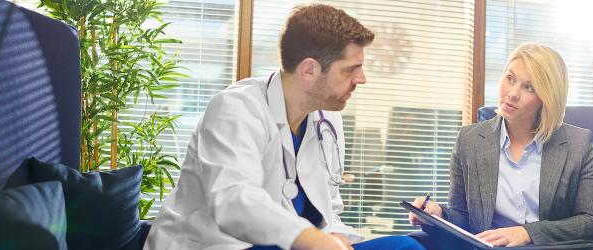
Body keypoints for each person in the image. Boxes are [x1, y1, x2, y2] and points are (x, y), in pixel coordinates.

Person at [144, 4, 424, 250]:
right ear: (309, 70)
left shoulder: (327, 117)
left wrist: (335, 236)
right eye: (350, 69)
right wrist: (310, 239)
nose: (361, 79)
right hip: (224, 244)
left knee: (404, 246)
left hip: (297, 244)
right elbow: (234, 202)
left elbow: (328, 205)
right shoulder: (236, 109)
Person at [407, 42, 593, 248]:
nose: (512, 93)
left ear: (547, 98)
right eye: (510, 78)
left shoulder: (578, 143)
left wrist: (527, 233)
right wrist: (439, 214)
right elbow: (464, 217)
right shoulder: (469, 140)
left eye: (528, 87)